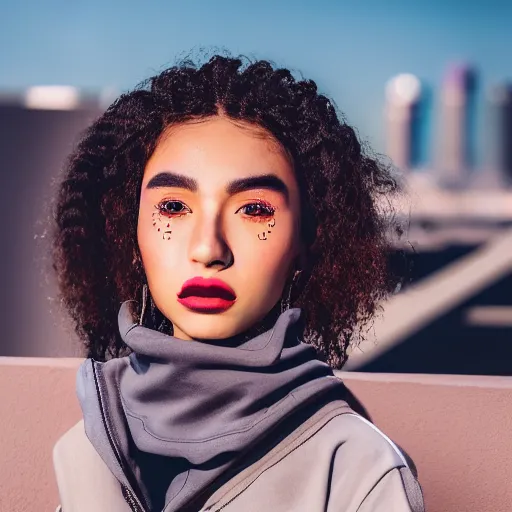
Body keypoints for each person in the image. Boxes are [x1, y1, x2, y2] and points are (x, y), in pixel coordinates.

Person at [52, 55, 424, 512]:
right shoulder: (87, 445)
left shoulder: (356, 469)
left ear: (307, 243)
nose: (209, 249)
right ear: (130, 231)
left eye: (254, 210)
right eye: (172, 207)